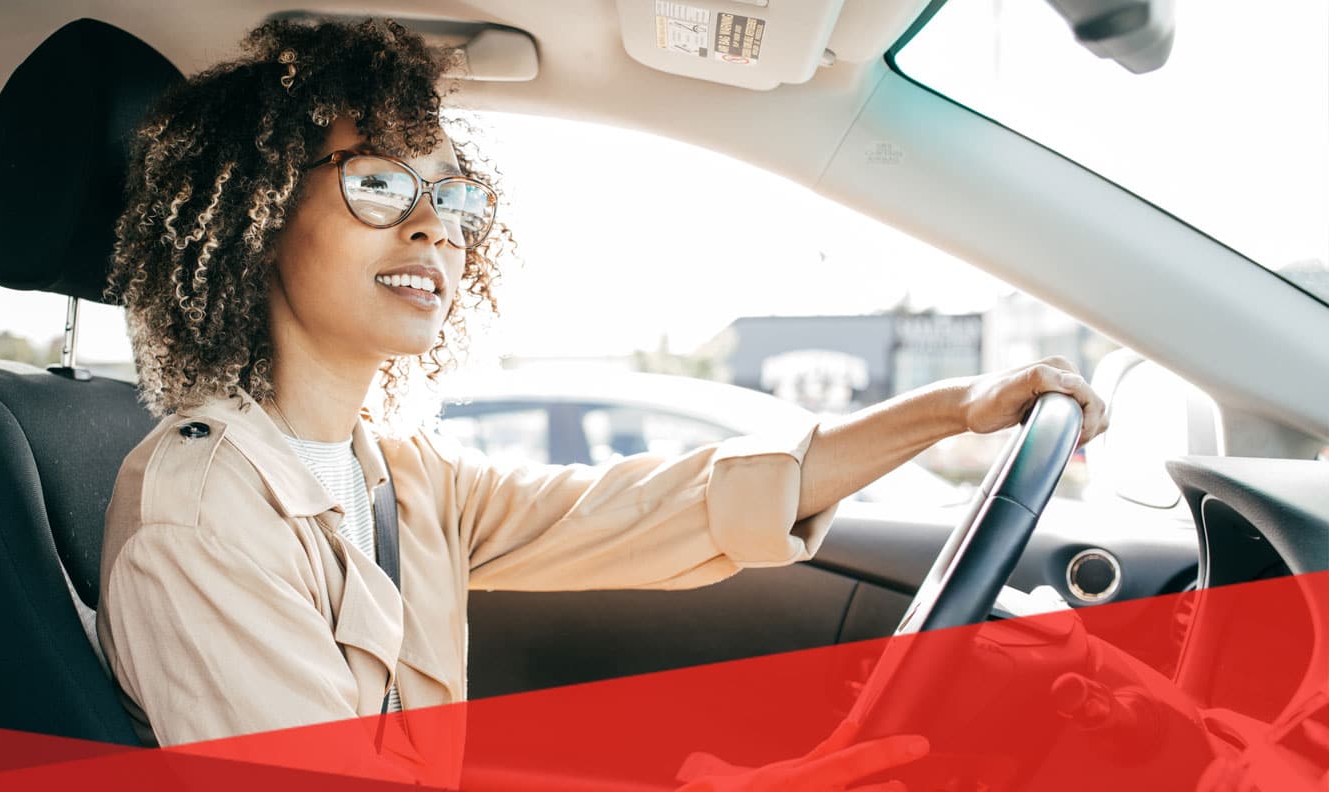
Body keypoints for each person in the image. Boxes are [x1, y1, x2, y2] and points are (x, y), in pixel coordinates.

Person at [95, 17, 1109, 789]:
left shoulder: (389, 473)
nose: (433, 231)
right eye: (375, 185)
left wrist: (950, 411)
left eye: (450, 197)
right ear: (259, 214)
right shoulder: (206, 514)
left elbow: (647, 507)